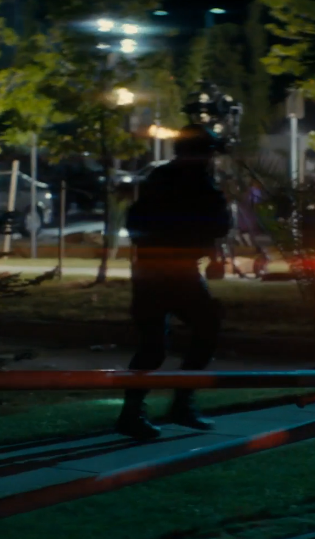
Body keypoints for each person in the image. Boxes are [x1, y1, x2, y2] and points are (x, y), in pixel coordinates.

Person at [117, 124, 233, 441]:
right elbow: (217, 222)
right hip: (170, 272)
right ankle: (158, 407)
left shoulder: (168, 178)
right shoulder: (190, 181)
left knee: (163, 341)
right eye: (208, 153)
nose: (211, 159)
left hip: (158, 270)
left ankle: (148, 409)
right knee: (172, 339)